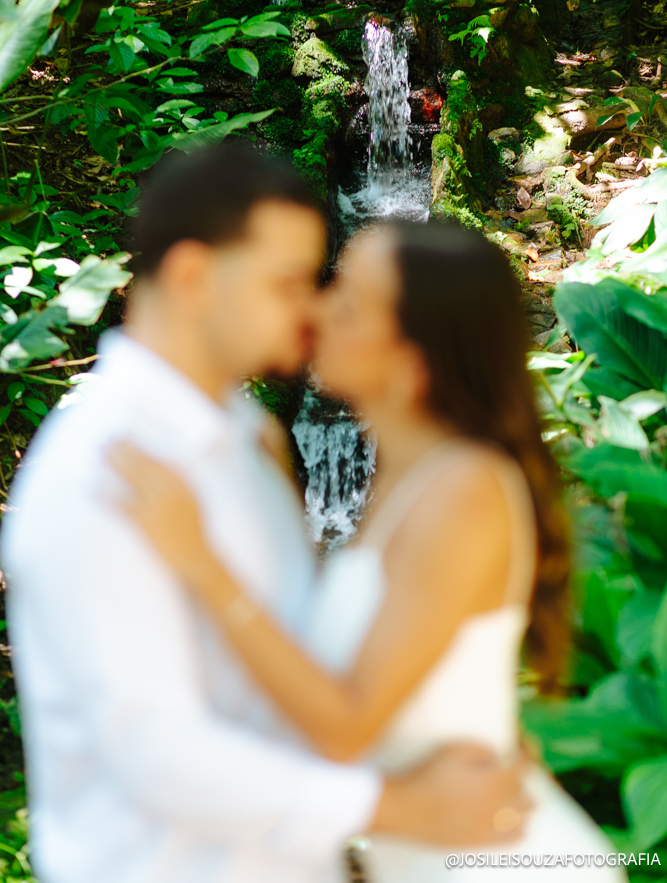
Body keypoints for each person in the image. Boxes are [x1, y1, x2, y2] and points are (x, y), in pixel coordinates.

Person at [2, 143, 530, 883]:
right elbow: (152, 748)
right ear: (193, 277)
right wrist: (392, 807)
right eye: (288, 283)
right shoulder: (104, 468)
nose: (313, 309)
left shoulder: (251, 442)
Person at [109, 219, 628, 882]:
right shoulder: (405, 480)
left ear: (411, 363)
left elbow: (347, 726)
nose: (318, 308)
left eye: (349, 303)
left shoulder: (464, 492)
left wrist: (201, 563)